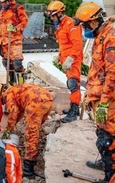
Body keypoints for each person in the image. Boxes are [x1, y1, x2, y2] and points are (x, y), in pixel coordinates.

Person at [74, 2, 115, 182]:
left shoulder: (111, 38)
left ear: (92, 22)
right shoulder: (100, 36)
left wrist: (104, 103)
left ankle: (110, 176)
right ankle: (106, 163)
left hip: (110, 100)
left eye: (84, 25)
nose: (83, 29)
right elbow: (98, 70)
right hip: (100, 98)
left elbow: (113, 75)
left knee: (109, 139)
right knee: (102, 136)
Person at [1, 83, 53, 179]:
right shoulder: (17, 89)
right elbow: (19, 113)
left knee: (31, 134)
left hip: (36, 102)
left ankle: (28, 168)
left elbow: (13, 113)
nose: (5, 104)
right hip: (47, 99)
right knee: (34, 129)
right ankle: (34, 156)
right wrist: (13, 126)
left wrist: (8, 131)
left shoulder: (8, 94)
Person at [46, 1, 83, 123]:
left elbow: (77, 44)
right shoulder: (61, 25)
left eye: (53, 15)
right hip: (67, 59)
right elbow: (64, 44)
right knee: (70, 84)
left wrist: (71, 58)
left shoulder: (71, 24)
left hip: (73, 59)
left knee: (73, 84)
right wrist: (60, 55)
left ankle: (74, 111)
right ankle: (74, 107)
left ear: (60, 13)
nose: (52, 18)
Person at [0, 0, 28, 85]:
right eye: (1, 2)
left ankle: (21, 85)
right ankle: (11, 84)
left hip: (14, 41)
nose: (2, 4)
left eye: (4, 2)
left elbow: (24, 22)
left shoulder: (17, 8)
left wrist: (15, 28)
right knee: (7, 64)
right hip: (3, 42)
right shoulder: (0, 10)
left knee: (17, 64)